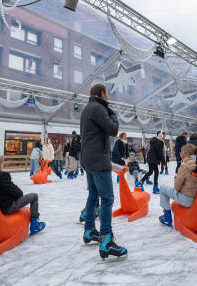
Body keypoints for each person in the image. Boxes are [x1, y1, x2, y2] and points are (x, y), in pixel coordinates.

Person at [80, 84, 127, 261]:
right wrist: (112, 113)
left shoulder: (87, 109)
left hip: (89, 159)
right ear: (102, 93)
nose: (109, 96)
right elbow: (113, 130)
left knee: (93, 197)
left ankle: (89, 230)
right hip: (99, 159)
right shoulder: (99, 108)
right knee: (107, 199)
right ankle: (106, 240)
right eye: (108, 93)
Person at [0, 155, 45, 235]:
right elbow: (19, 193)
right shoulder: (0, 176)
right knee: (34, 196)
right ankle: (35, 226)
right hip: (7, 207)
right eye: (2, 165)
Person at [159, 144, 197, 227]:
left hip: (188, 200)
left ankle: (167, 217)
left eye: (181, 152)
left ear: (187, 153)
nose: (180, 154)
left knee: (163, 188)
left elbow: (177, 187)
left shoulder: (185, 166)